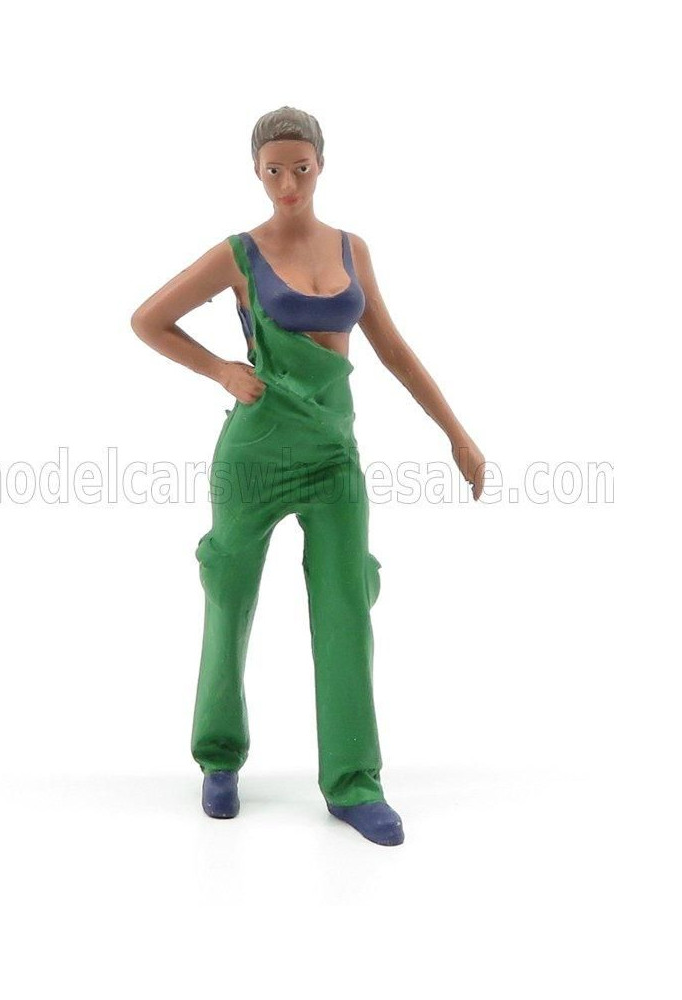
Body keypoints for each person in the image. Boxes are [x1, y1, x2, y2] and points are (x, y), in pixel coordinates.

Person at [131, 106, 485, 846]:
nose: (288, 183)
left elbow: (392, 348)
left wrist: (455, 432)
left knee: (346, 603)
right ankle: (219, 756)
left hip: (333, 453)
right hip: (257, 448)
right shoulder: (239, 253)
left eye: (301, 167)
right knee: (229, 592)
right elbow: (149, 319)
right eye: (274, 170)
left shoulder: (352, 249)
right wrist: (222, 370)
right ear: (256, 173)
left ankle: (354, 782)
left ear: (321, 164)